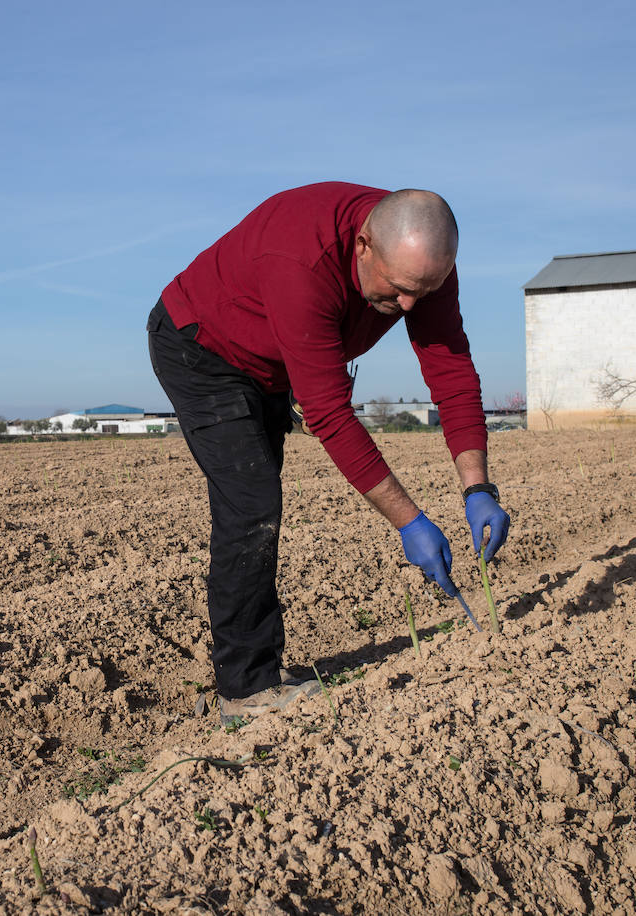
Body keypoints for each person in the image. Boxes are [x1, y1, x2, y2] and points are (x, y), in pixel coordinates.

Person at [147, 182, 510, 725]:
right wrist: (409, 521)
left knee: (259, 500)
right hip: (203, 347)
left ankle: (253, 673)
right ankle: (245, 691)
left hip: (271, 364)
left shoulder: (423, 264)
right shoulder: (301, 258)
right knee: (251, 506)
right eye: (399, 290)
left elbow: (451, 371)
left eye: (423, 291)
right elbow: (329, 414)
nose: (408, 306)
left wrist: (477, 487)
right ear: (363, 245)